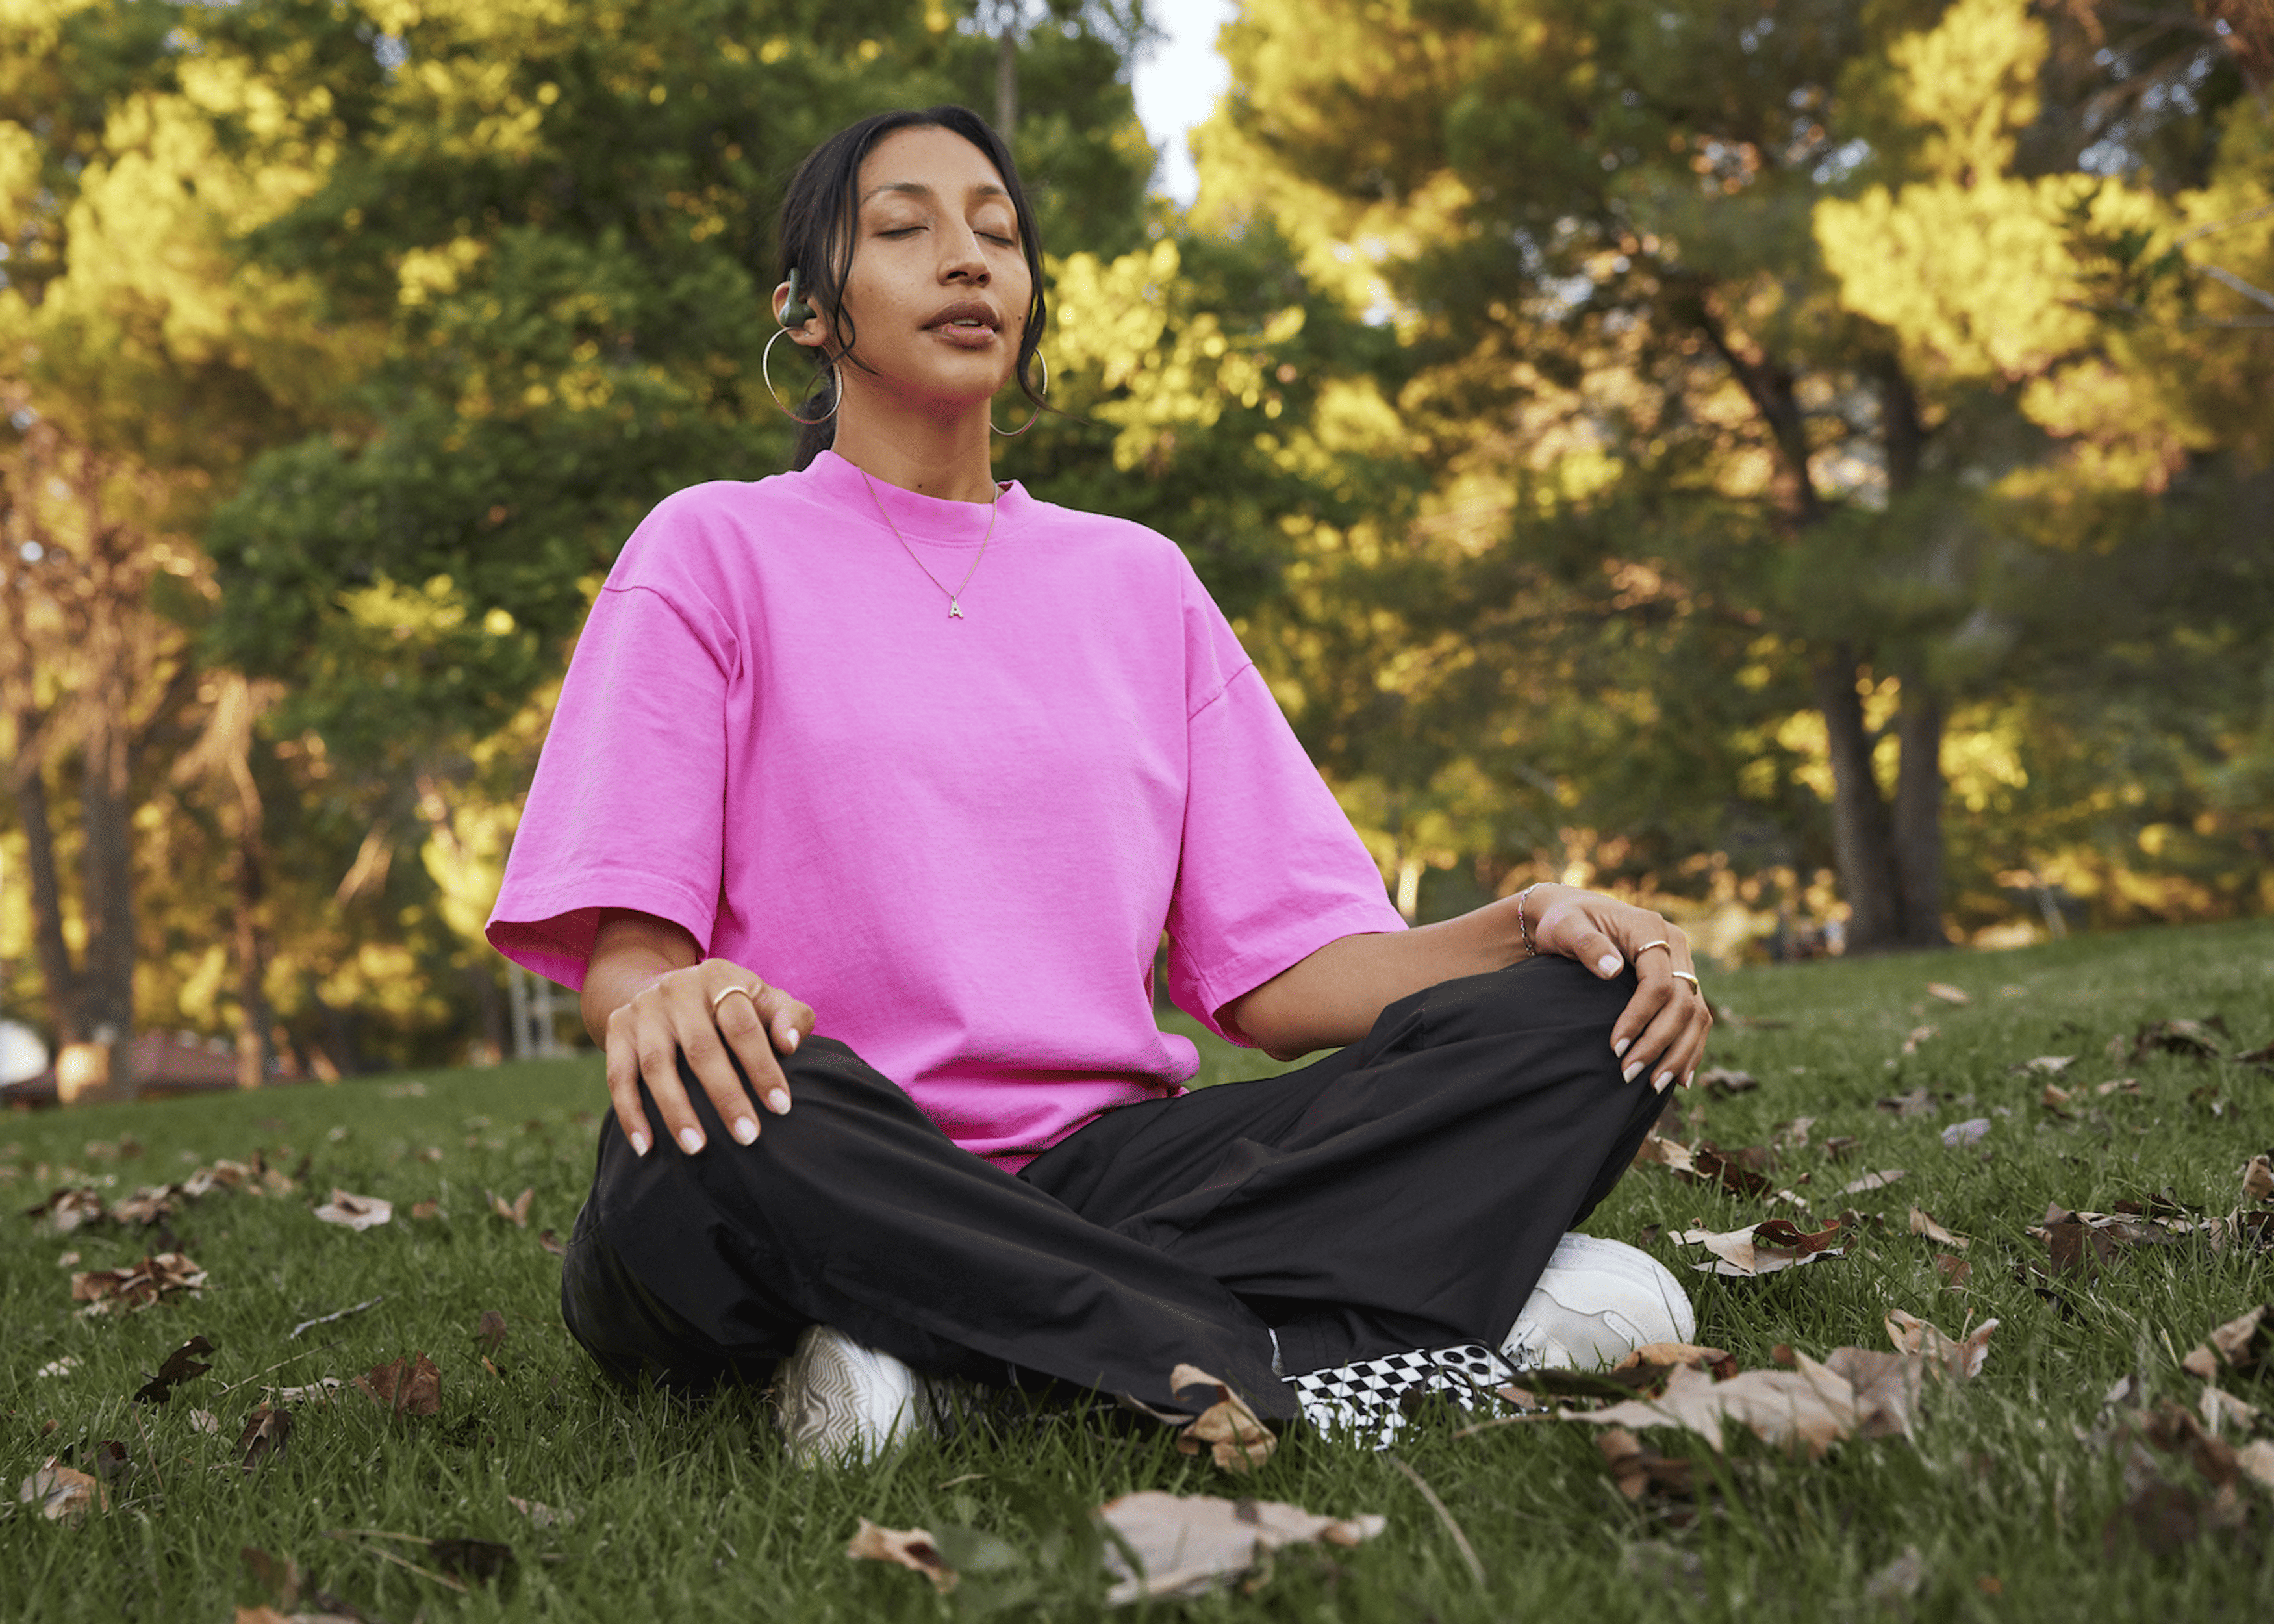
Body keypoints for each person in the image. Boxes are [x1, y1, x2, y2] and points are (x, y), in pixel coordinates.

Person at [486, 105, 1710, 1464]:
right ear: (809, 310)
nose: (968, 261)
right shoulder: (709, 549)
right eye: (904, 229)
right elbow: (634, 962)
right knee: (721, 1121)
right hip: (814, 1144)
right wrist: (676, 992)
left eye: (998, 235)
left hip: (1106, 1165)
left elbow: (1287, 977)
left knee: (1578, 1015)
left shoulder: (1138, 581)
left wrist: (1528, 927)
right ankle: (1311, 1351)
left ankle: (958, 1356)